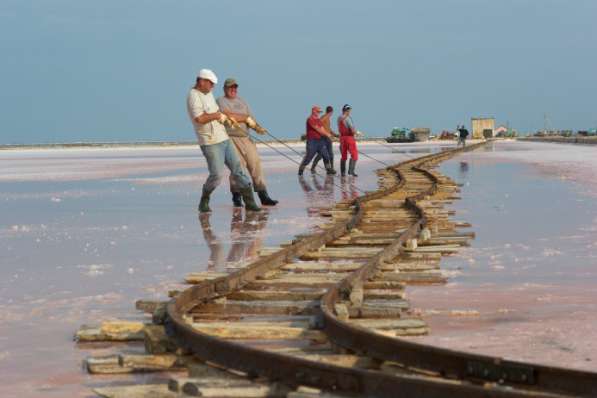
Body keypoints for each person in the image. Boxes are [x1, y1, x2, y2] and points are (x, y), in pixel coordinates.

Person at [186, 69, 261, 213]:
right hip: (210, 142)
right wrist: (217, 116)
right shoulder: (193, 96)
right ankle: (204, 199)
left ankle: (250, 203)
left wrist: (232, 118)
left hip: (223, 138)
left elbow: (218, 113)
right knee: (217, 175)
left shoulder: (208, 93)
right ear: (201, 81)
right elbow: (199, 118)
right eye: (211, 84)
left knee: (239, 170)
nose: (212, 87)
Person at [216, 78, 278, 207]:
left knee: (255, 164)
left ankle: (263, 194)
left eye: (235, 87)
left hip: (246, 137)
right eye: (230, 87)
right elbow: (228, 115)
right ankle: (237, 196)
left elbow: (251, 117)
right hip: (231, 138)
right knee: (238, 167)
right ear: (224, 89)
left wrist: (257, 127)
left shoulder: (242, 101)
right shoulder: (220, 101)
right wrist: (245, 118)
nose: (233, 89)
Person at [298, 106, 336, 176]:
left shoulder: (318, 120)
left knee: (326, 155)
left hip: (320, 141)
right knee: (308, 158)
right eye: (318, 111)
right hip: (312, 141)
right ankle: (301, 169)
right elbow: (318, 129)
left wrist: (330, 134)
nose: (319, 113)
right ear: (313, 111)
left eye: (319, 112)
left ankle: (328, 169)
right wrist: (327, 134)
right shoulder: (310, 119)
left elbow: (322, 128)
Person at [310, 105, 337, 173]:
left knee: (326, 154)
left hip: (327, 138)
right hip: (324, 138)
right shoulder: (325, 117)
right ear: (331, 112)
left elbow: (327, 127)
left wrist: (334, 134)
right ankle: (329, 169)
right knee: (326, 154)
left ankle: (329, 169)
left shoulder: (327, 118)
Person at [337, 104, 359, 177]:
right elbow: (352, 129)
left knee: (343, 156)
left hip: (342, 139)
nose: (350, 112)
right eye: (349, 110)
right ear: (347, 110)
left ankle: (343, 173)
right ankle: (351, 171)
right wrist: (357, 133)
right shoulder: (348, 118)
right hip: (349, 138)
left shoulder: (339, 118)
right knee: (354, 155)